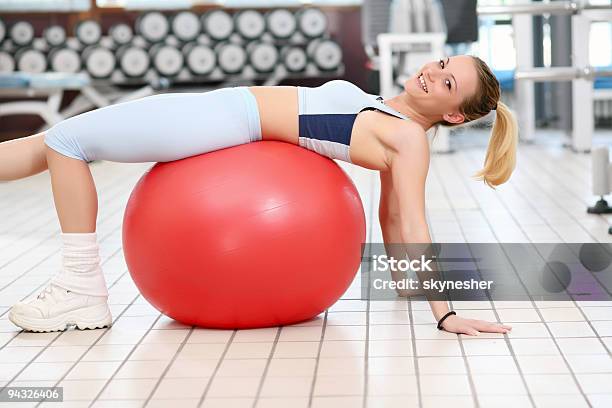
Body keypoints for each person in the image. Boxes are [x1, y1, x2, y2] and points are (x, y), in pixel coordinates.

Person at [0, 55, 517, 335]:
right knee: (42, 146)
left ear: (453, 115)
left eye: (447, 83)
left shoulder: (407, 137)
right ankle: (80, 287)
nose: (431, 72)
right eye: (442, 63)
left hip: (225, 121)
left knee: (65, 141)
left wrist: (443, 311)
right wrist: (403, 284)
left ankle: (80, 287)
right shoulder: (393, 113)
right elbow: (388, 215)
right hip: (221, 112)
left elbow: (413, 224)